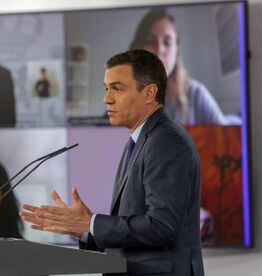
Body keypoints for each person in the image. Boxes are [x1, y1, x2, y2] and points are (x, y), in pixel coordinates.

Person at [20, 49, 204, 275]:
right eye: (106, 88)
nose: (106, 98)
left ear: (149, 93)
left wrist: (92, 223)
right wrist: (85, 230)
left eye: (117, 88)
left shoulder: (166, 142)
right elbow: (131, 232)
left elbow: (162, 227)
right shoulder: (139, 140)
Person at [130, 9, 226, 125]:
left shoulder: (196, 94)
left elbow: (229, 140)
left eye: (167, 42)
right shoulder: (123, 96)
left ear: (176, 54)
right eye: (151, 41)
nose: (160, 50)